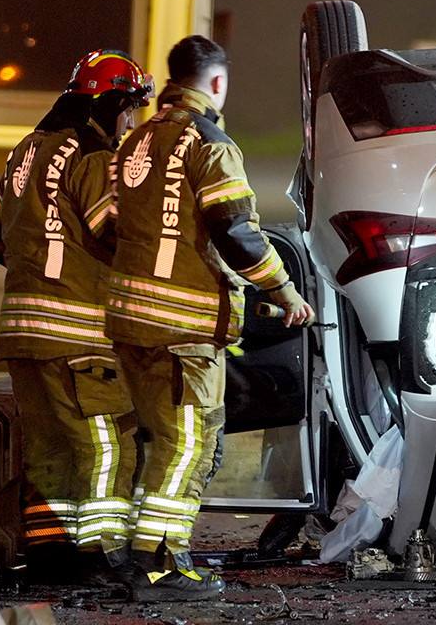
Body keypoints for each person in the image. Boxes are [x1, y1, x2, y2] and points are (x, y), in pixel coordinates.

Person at [106, 34, 314, 601]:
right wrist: (285, 292)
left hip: (129, 323)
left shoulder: (134, 143)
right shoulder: (211, 145)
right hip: (183, 331)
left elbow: (110, 228)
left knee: (157, 445)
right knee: (186, 448)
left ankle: (141, 560)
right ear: (217, 82)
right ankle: (160, 568)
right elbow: (238, 232)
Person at [0, 50, 153, 585]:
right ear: (111, 105)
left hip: (21, 331)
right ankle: (103, 555)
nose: (129, 122)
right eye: (129, 110)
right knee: (107, 445)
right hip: (77, 333)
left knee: (47, 450)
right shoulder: (93, 155)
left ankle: (50, 555)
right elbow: (115, 233)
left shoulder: (25, 151)